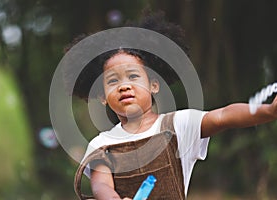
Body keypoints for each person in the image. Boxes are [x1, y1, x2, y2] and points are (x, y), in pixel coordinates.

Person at [67, 11, 277, 200]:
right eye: (113, 81)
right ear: (102, 96)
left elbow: (223, 115)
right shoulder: (102, 144)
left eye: (133, 76)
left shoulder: (178, 125)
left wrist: (268, 111)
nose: (124, 86)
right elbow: (101, 185)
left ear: (154, 85)